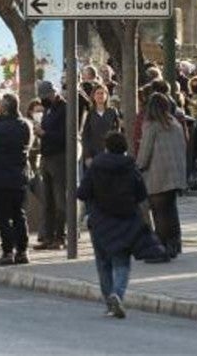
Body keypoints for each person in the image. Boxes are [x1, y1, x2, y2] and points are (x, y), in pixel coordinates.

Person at [77, 132, 150, 319]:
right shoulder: (131, 167)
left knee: (103, 264)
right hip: (125, 222)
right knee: (121, 262)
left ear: (106, 148)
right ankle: (117, 294)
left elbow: (82, 192)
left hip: (100, 222)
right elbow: (141, 194)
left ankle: (110, 302)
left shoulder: (96, 167)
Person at [0, 93, 33, 266]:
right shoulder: (25, 125)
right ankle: (22, 251)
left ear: (4, 108)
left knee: (2, 216)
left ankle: (8, 251)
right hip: (19, 175)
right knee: (19, 214)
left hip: (0, 176)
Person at [136, 92, 187, 258]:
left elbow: (145, 153)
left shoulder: (152, 126)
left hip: (157, 175)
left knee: (160, 213)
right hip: (175, 174)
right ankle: (174, 244)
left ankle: (162, 247)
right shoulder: (175, 124)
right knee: (171, 210)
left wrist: (138, 167)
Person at [33, 81, 68, 250]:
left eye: (45, 96)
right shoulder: (48, 110)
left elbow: (65, 135)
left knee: (60, 199)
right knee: (48, 200)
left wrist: (45, 134)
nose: (43, 100)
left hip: (59, 157)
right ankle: (48, 236)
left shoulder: (64, 109)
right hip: (46, 156)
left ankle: (60, 236)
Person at [80, 84, 122, 168]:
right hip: (94, 154)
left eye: (102, 93)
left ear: (107, 95)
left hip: (110, 153)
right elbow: (85, 135)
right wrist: (87, 156)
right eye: (98, 93)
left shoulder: (112, 112)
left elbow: (117, 131)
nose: (100, 96)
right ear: (93, 96)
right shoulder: (89, 113)